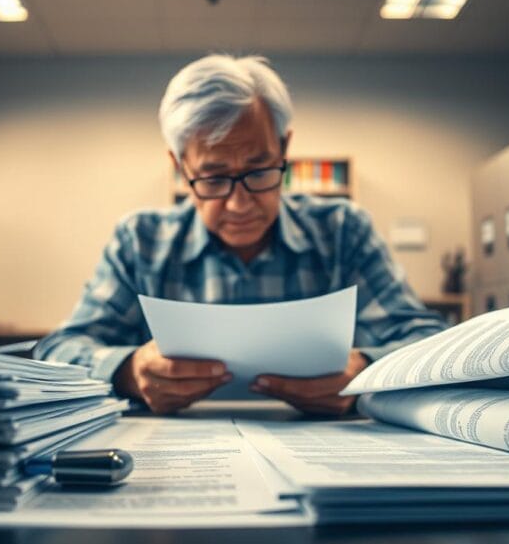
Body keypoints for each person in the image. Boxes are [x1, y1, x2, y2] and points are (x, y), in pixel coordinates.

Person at [34, 54, 446, 415]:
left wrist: (365, 370)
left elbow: (427, 342)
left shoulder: (342, 231)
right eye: (213, 179)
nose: (239, 204)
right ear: (181, 166)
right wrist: (128, 372)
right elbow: (60, 349)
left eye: (260, 172)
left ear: (284, 149)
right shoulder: (140, 240)